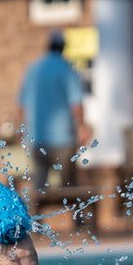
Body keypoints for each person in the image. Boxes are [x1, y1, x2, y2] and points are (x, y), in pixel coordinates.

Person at [17, 31, 91, 201]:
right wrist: (81, 127)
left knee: (39, 185)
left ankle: (35, 223)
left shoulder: (34, 69)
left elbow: (22, 104)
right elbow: (76, 105)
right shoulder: (67, 69)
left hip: (37, 137)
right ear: (63, 48)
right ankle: (77, 223)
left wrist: (22, 127)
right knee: (69, 185)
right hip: (63, 139)